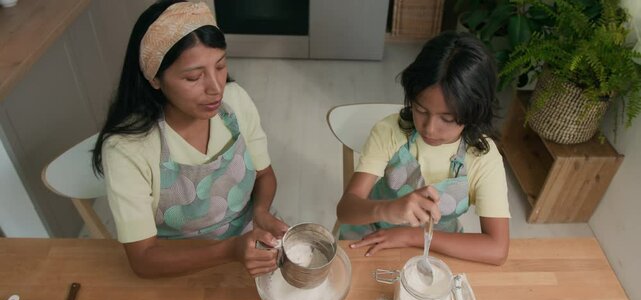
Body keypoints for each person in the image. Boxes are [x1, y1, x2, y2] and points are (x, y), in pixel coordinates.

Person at [92, 0, 288, 278]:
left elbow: (264, 175)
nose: (216, 88)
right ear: (155, 79)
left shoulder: (236, 101)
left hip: (250, 244)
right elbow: (143, 259)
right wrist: (229, 251)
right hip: (177, 265)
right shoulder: (127, 149)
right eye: (194, 77)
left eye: (220, 66)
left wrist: (261, 212)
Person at [336, 31, 510, 265]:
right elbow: (346, 209)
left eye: (447, 119)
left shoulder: (482, 157)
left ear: (474, 112)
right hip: (372, 234)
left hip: (436, 244)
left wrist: (410, 235)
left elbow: (497, 249)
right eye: (420, 109)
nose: (429, 128)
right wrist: (386, 210)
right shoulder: (391, 131)